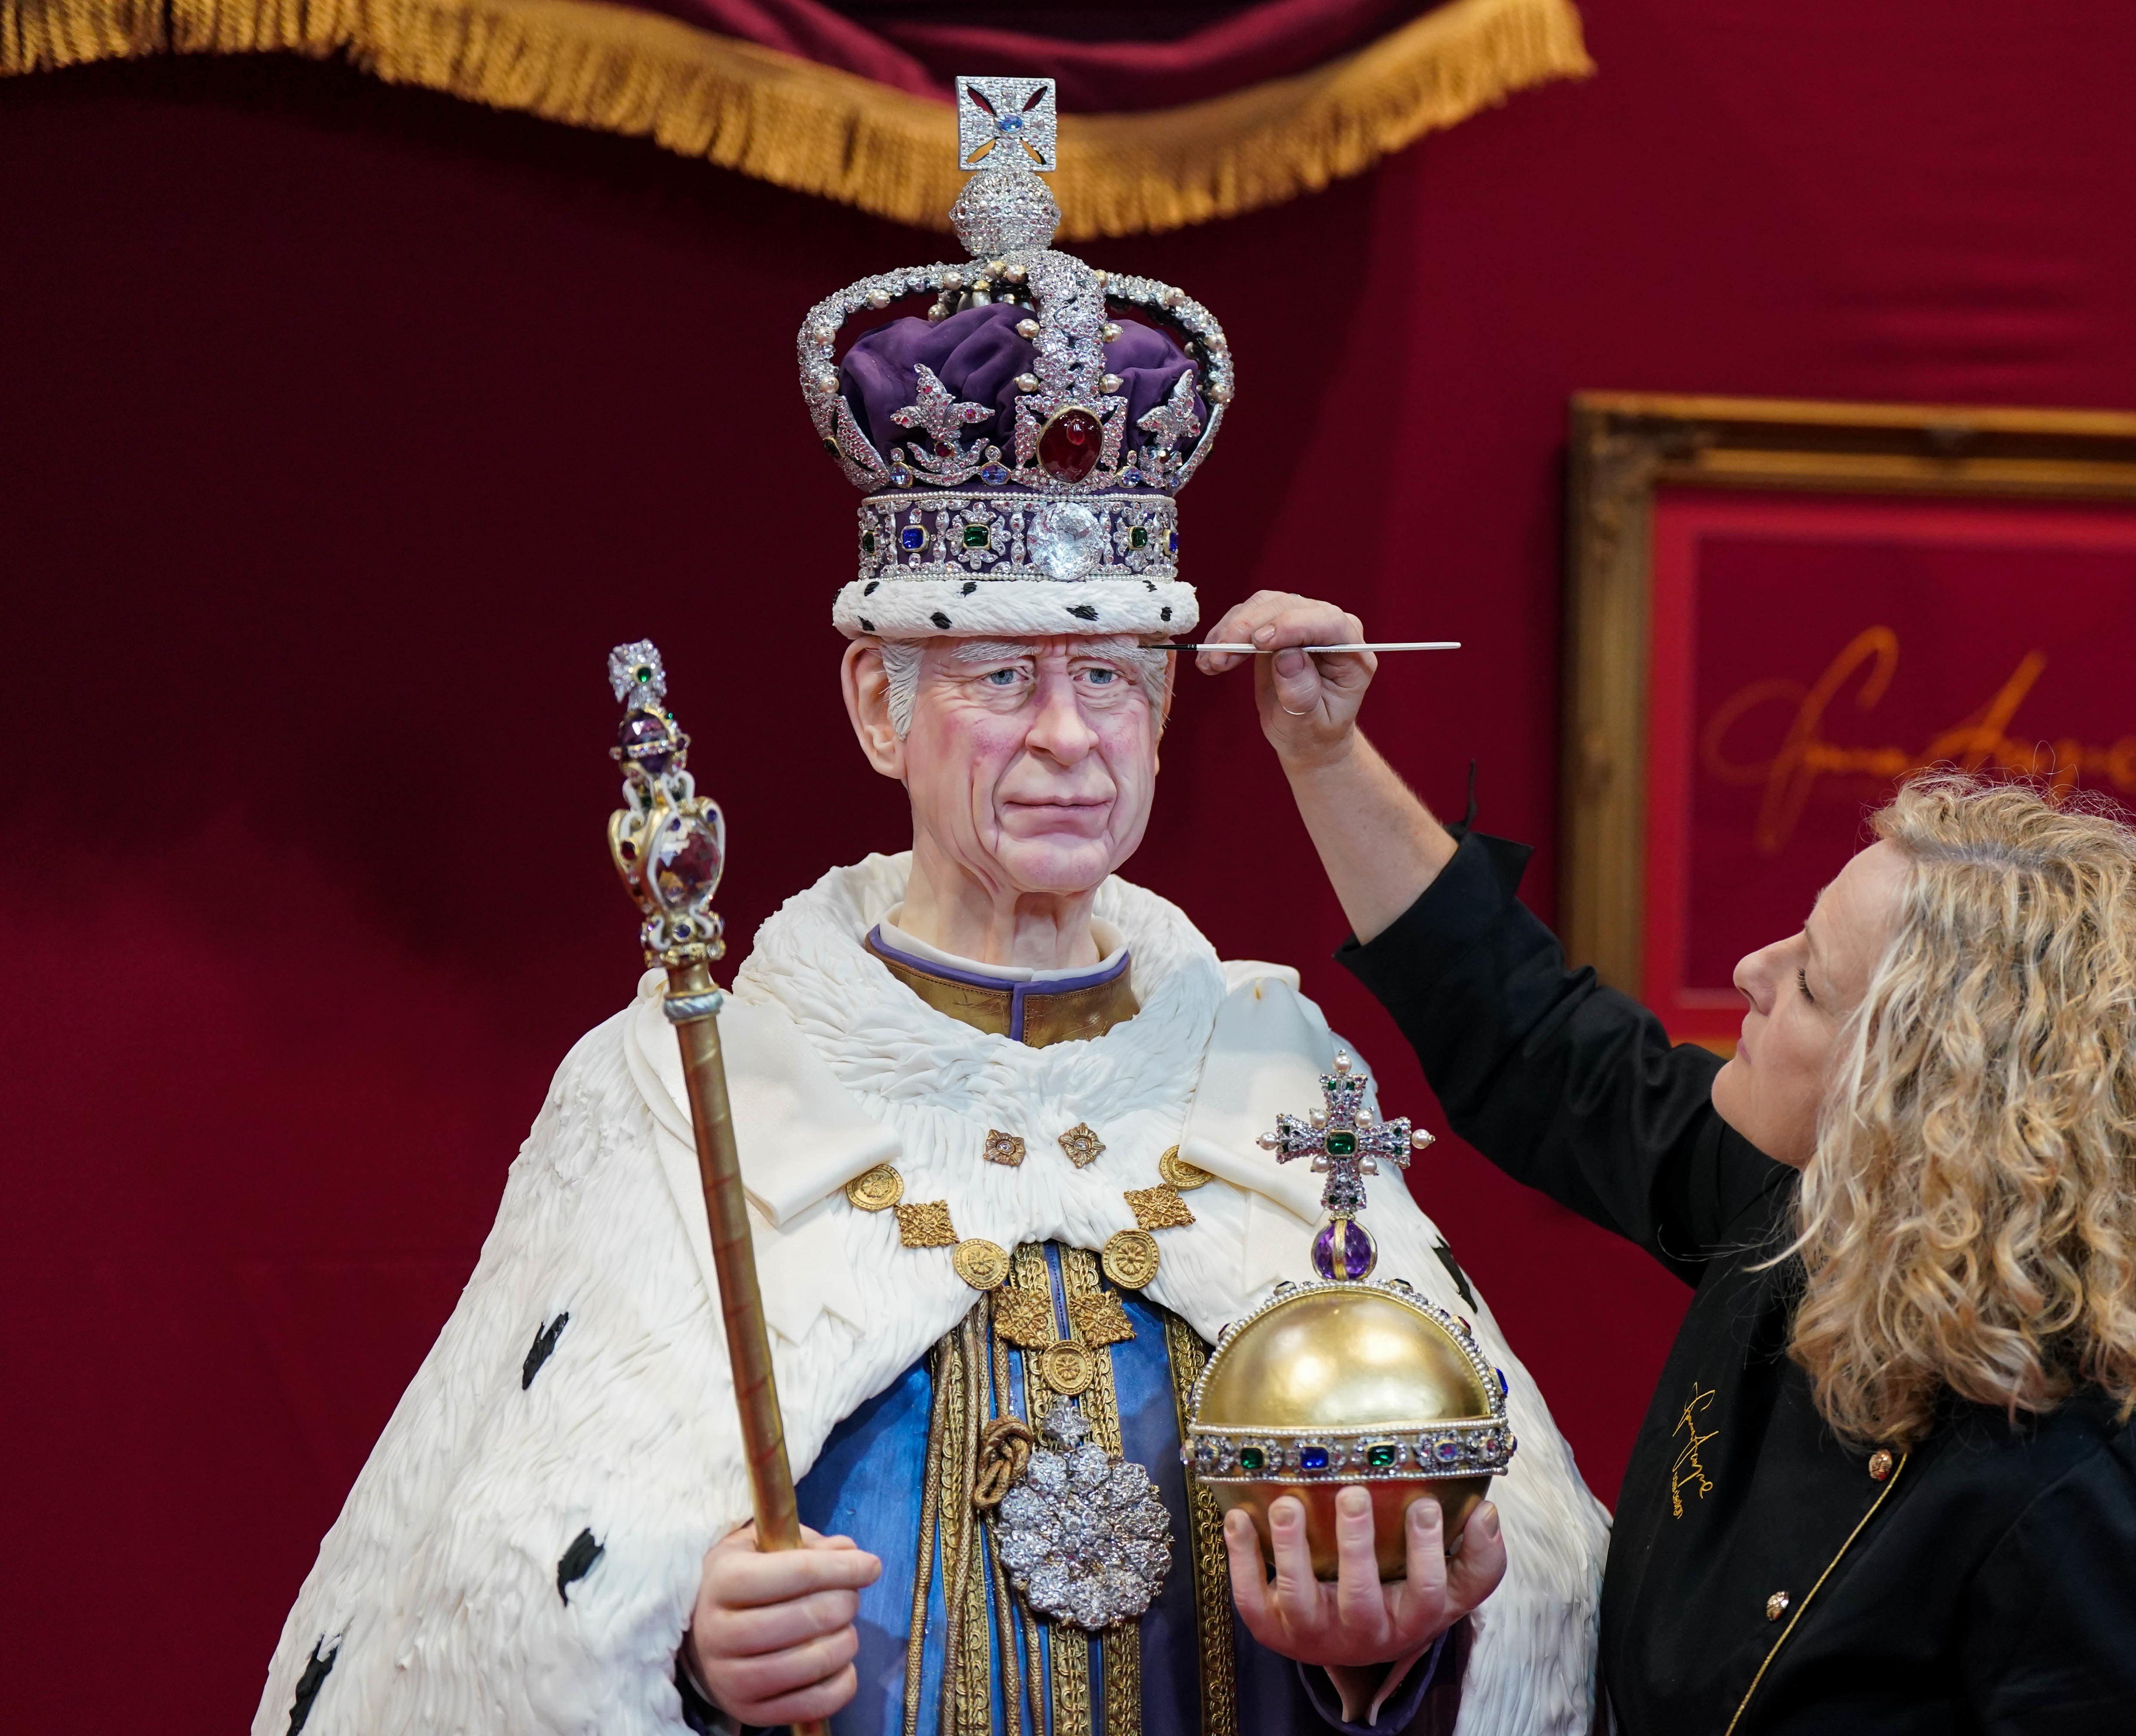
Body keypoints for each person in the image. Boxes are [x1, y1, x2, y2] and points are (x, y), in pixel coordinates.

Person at [253, 86, 1609, 1736]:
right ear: (880, 708)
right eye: (999, 678)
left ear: (1168, 716)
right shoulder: (681, 1089)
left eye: (1111, 676)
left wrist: (1398, 1644)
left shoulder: (1272, 1071)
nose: (1066, 737)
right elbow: (487, 1600)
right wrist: (687, 1657)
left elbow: (1510, 1563)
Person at [1197, 593, 2136, 1734]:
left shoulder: (2096, 1495)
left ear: (1919, 1099)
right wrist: (1324, 749)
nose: (1754, 970)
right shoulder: (1805, 1228)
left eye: (1810, 979)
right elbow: (1535, 1038)